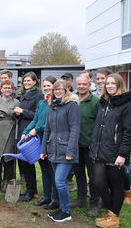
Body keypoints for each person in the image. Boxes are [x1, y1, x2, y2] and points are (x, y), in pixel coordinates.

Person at [90, 73, 131, 227]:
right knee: (98, 183)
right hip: (99, 149)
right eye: (107, 83)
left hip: (116, 152)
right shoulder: (103, 102)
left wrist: (123, 154)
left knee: (115, 185)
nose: (109, 86)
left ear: (119, 85)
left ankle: (113, 218)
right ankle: (112, 211)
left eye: (112, 83)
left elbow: (129, 131)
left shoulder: (127, 105)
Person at [41, 80, 80, 223]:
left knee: (59, 181)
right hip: (52, 149)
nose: (57, 91)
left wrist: (70, 151)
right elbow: (47, 129)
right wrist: (43, 149)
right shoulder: (52, 105)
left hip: (66, 150)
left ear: (66, 89)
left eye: (60, 89)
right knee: (58, 181)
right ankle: (62, 208)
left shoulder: (72, 106)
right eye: (55, 89)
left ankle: (66, 211)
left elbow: (75, 129)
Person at [22, 76, 59, 210]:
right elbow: (36, 119)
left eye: (49, 85)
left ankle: (55, 199)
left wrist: (35, 130)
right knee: (44, 170)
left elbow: (50, 123)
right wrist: (26, 132)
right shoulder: (42, 103)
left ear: (55, 86)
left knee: (52, 170)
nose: (47, 88)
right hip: (41, 141)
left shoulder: (56, 103)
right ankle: (46, 196)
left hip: (52, 141)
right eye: (45, 86)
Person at [71, 75, 100, 217]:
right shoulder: (72, 98)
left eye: (84, 84)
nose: (81, 86)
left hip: (90, 146)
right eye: (79, 84)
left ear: (89, 85)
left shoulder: (95, 102)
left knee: (93, 177)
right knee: (79, 174)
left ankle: (94, 204)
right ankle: (81, 199)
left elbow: (99, 125)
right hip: (75, 145)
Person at [15, 71, 44, 202]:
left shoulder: (39, 95)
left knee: (27, 162)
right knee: (22, 162)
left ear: (35, 82)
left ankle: (31, 191)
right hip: (22, 130)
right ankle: (30, 188)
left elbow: (37, 115)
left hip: (31, 131)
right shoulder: (24, 95)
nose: (26, 83)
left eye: (29, 81)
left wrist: (23, 111)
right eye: (24, 81)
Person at [0, 80, 20, 192]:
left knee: (8, 158)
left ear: (12, 89)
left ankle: (7, 182)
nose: (7, 90)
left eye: (9, 88)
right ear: (1, 89)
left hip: (11, 131)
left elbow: (18, 117)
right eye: (5, 88)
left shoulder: (16, 102)